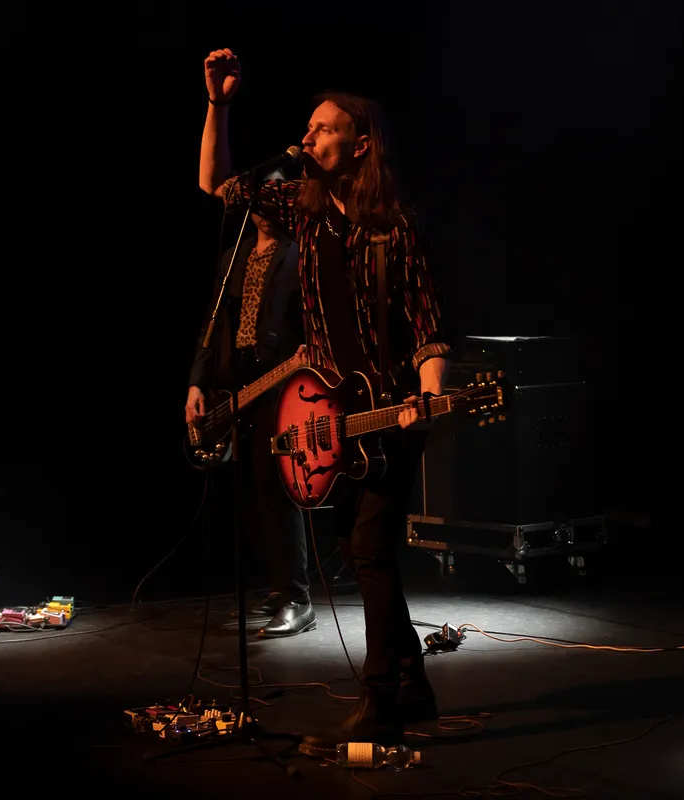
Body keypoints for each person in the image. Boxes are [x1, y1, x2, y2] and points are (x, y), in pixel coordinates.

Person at [198, 48, 453, 744]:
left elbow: (429, 330)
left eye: (324, 128)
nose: (307, 137)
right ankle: (414, 685)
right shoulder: (303, 210)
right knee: (359, 547)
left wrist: (428, 400)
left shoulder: (396, 228)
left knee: (368, 545)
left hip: (391, 410)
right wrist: (219, 105)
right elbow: (215, 184)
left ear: (360, 144)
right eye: (307, 127)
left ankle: (381, 694)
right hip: (336, 412)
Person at [185, 208, 316, 639]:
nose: (264, 211)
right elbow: (211, 324)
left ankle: (299, 598)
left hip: (280, 383)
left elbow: (313, 317)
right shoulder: (233, 258)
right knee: (249, 492)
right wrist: (197, 383)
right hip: (234, 386)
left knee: (276, 485)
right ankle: (279, 587)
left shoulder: (299, 253)